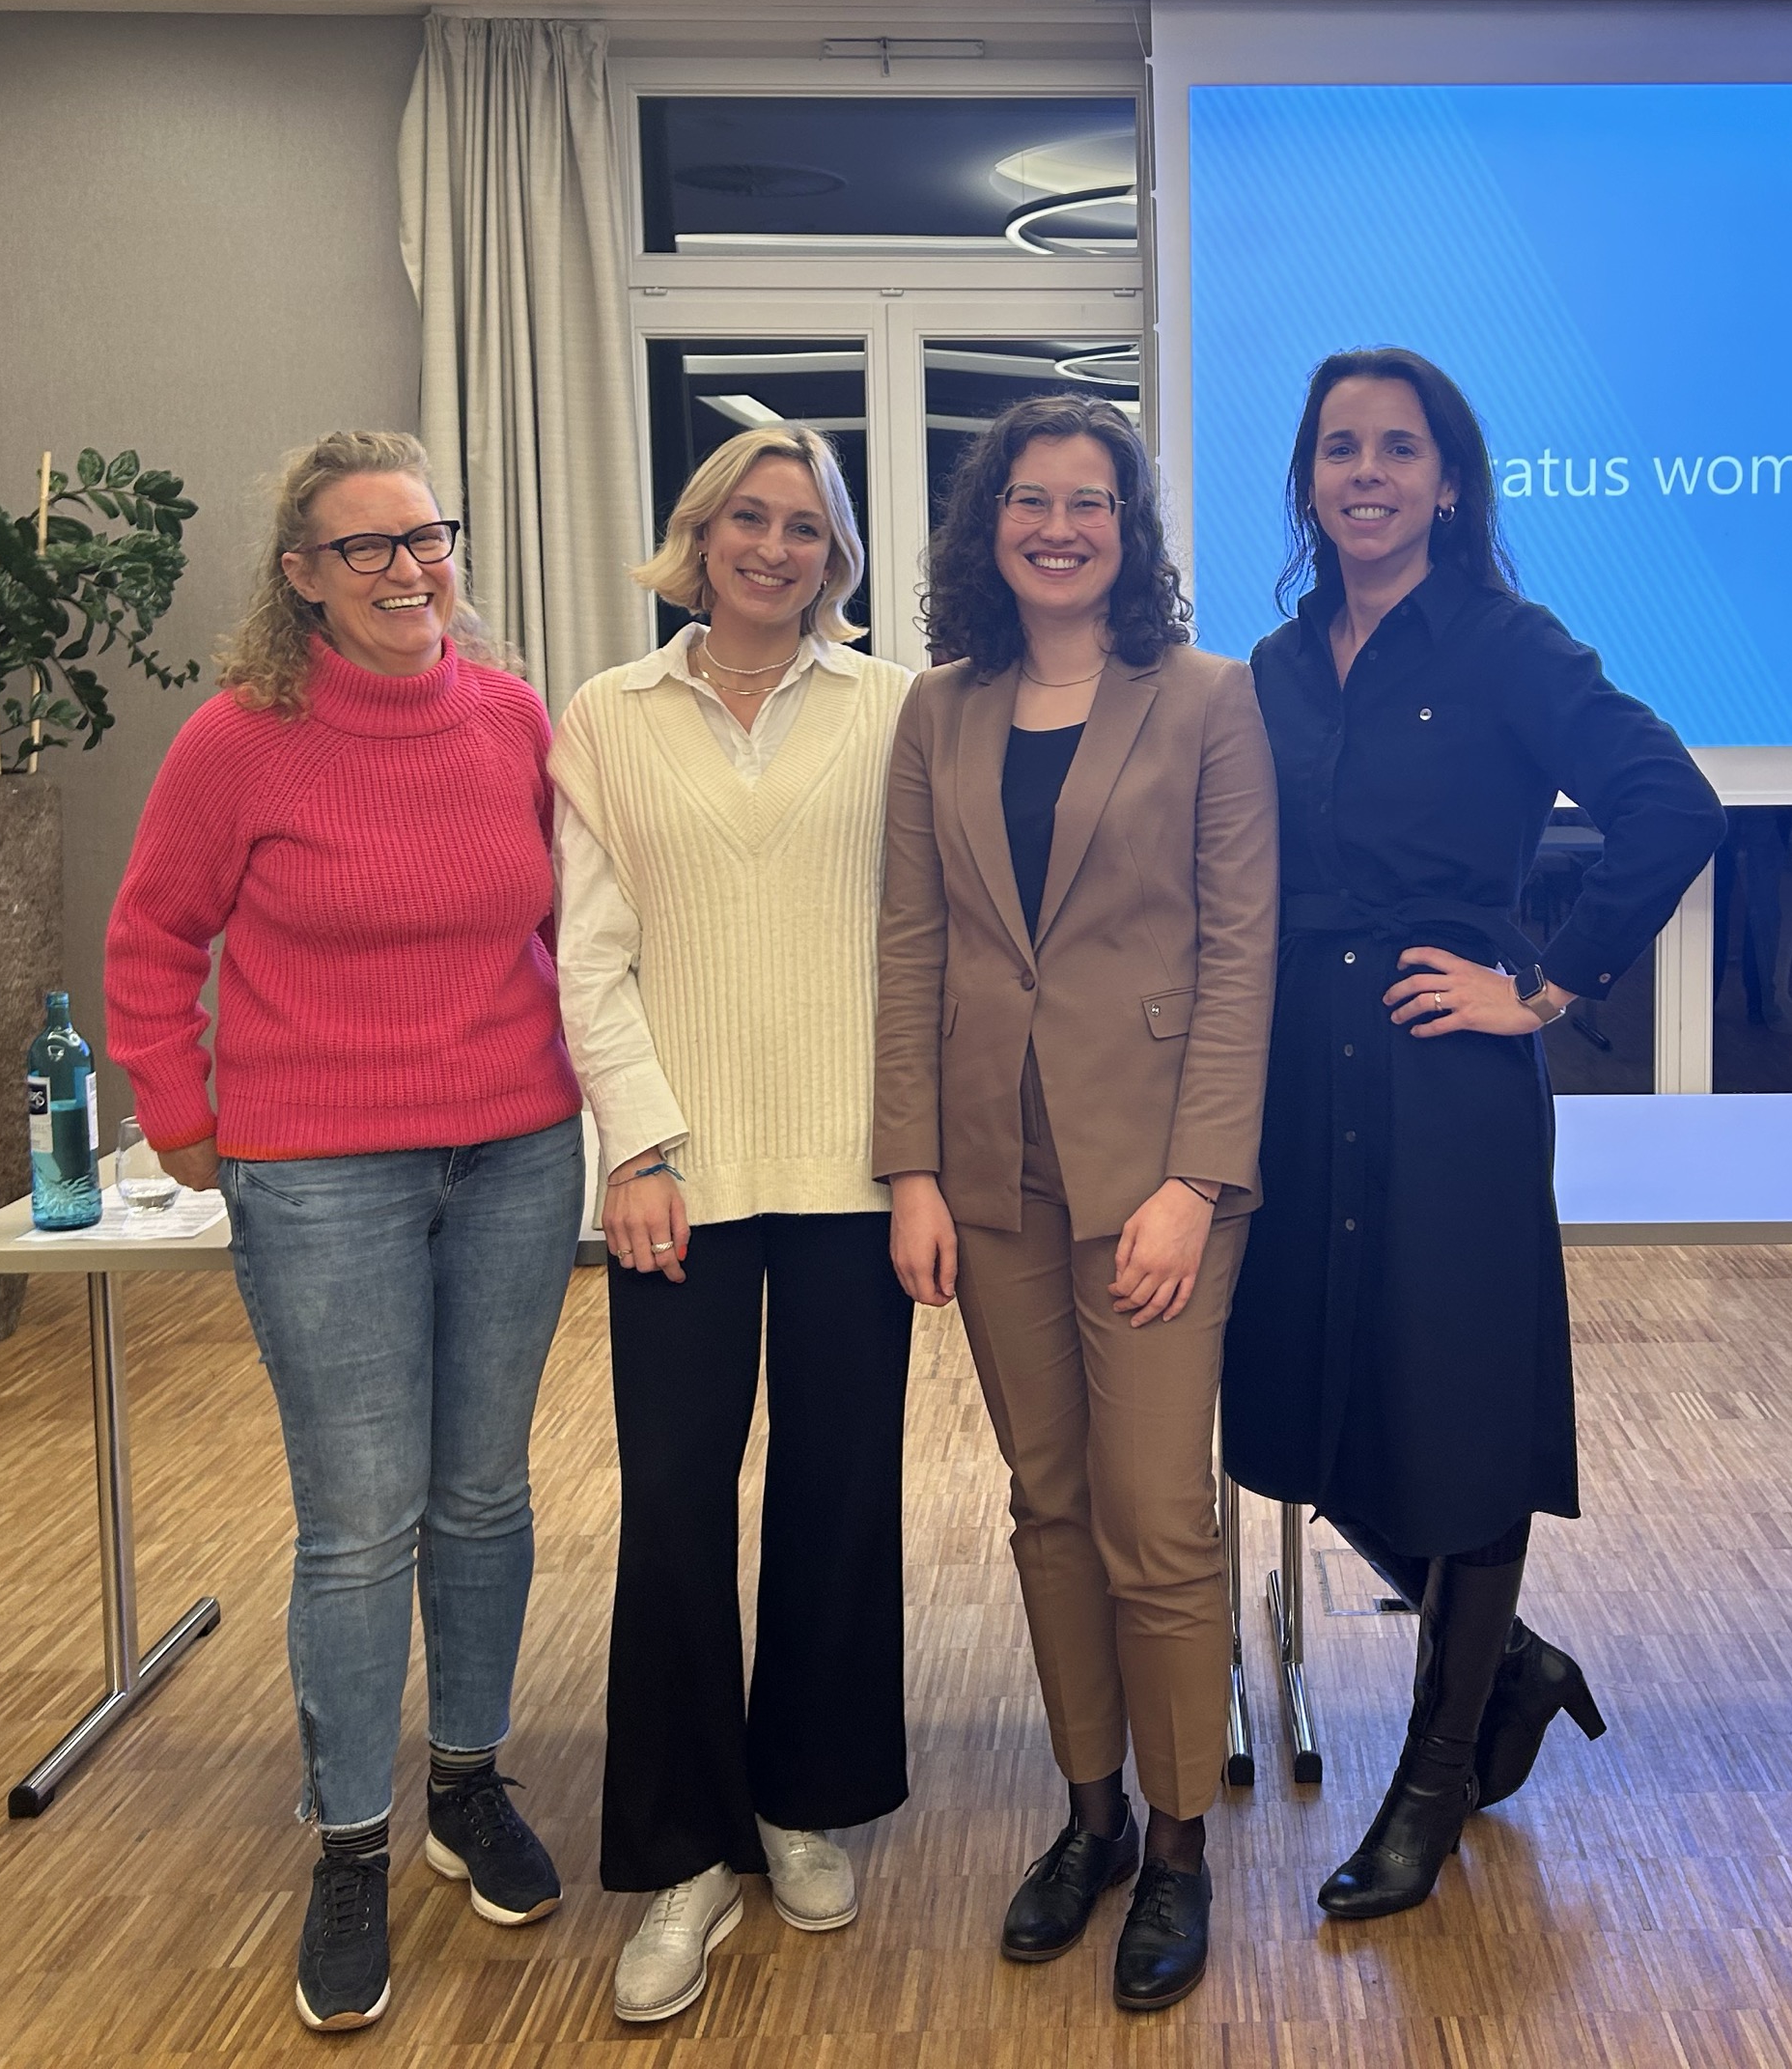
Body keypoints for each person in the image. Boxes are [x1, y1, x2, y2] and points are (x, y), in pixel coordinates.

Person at [1222, 349, 1726, 1921]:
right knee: (1298, 1402)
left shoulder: (1510, 648)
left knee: (1457, 1408)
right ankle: (1502, 1663)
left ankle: (1432, 1786)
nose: (1366, 474)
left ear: (1450, 480)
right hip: (1302, 1074)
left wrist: (1551, 984)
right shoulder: (1274, 671)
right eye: (1338, 450)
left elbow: (1674, 804)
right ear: (1307, 480)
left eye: (1398, 449)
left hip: (1449, 1085)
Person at [105, 431, 585, 2034]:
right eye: (365, 547)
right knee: (360, 1517)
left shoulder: (512, 718)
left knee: (484, 1491)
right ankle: (350, 1843)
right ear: (301, 574)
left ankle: (465, 1782)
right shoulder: (241, 739)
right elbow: (154, 935)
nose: (406, 570)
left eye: (425, 538)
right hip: (321, 1173)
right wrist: (181, 1115)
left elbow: (571, 926)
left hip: (516, 1149)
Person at [873, 394, 1278, 2013]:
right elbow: (912, 946)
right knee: (1048, 1505)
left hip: (1155, 1175)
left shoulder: (1206, 700)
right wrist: (913, 1167)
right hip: (995, 1175)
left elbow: (1241, 950)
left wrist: (1195, 1181)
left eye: (1090, 503)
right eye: (1029, 501)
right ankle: (1091, 1812)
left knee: (1156, 1521)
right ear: (989, 529)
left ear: (1132, 532)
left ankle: (1178, 1845)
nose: (1058, 526)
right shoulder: (937, 715)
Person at [549, 427, 918, 2025]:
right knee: (678, 1506)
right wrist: (640, 1149)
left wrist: (919, 1164)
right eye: (747, 520)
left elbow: (928, 949)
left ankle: (805, 1800)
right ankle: (685, 1852)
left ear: (836, 553)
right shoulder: (609, 718)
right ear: (697, 537)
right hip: (679, 1185)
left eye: (806, 527)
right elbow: (588, 956)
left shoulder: (896, 709)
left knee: (840, 1498)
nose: (775, 548)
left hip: (852, 1176)